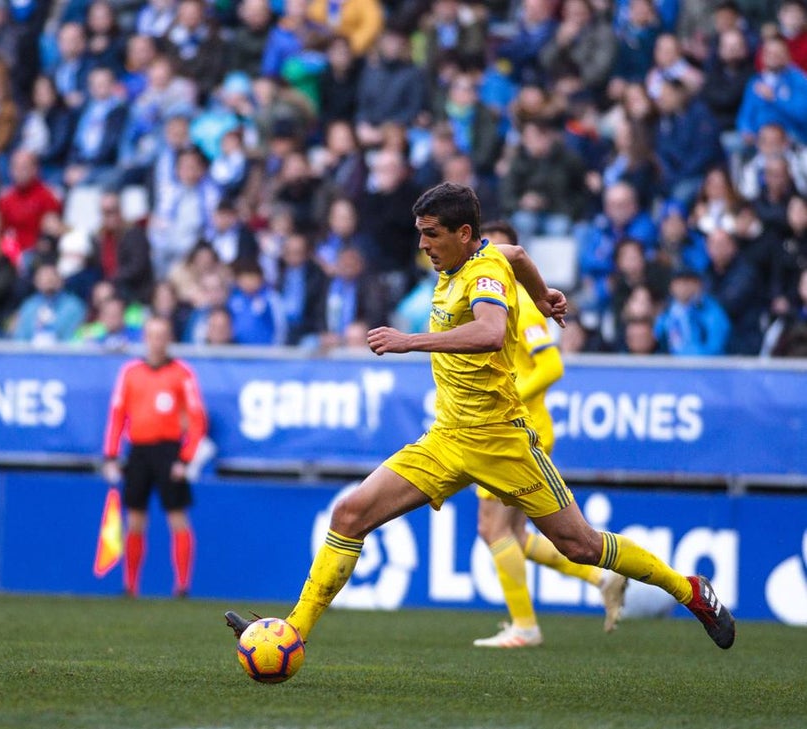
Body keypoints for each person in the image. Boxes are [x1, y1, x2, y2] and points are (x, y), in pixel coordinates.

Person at [225, 183, 735, 655]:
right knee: (349, 514)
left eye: (432, 234)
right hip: (447, 437)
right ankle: (293, 632)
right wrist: (540, 294)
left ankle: (688, 591)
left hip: (502, 441)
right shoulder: (485, 255)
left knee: (578, 544)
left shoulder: (482, 274)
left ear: (463, 234)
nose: (423, 244)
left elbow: (491, 332)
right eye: (420, 233)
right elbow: (516, 253)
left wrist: (411, 341)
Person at [472, 221, 627, 648]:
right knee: (515, 535)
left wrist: (504, 397)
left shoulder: (518, 298)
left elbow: (551, 365)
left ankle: (525, 626)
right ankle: (599, 576)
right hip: (509, 427)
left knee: (493, 528)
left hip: (516, 428)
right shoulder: (492, 296)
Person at [102, 316, 208, 598]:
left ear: (170, 338)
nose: (157, 341)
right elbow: (117, 414)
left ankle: (182, 586)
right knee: (134, 518)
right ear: (145, 338)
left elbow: (197, 421)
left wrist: (185, 458)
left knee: (177, 516)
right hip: (138, 451)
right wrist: (110, 455)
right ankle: (130, 586)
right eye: (152, 335)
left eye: (162, 335)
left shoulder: (182, 374)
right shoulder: (131, 373)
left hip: (169, 451)